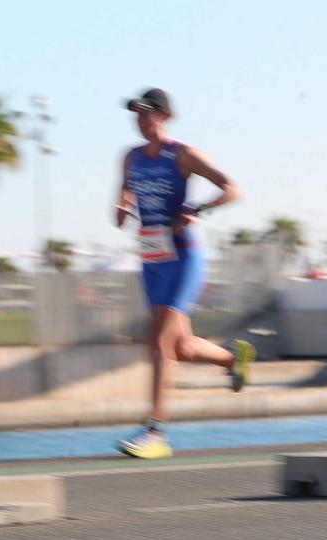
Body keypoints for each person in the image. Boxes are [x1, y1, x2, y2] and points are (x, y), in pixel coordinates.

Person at [115, 87, 255, 459]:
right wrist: (122, 207)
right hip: (151, 260)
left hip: (183, 257)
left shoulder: (182, 155)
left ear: (164, 116)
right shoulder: (129, 157)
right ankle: (232, 359)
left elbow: (231, 188)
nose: (141, 120)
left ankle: (155, 432)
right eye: (136, 114)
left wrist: (198, 209)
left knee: (157, 342)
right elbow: (126, 193)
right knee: (180, 347)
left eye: (147, 113)